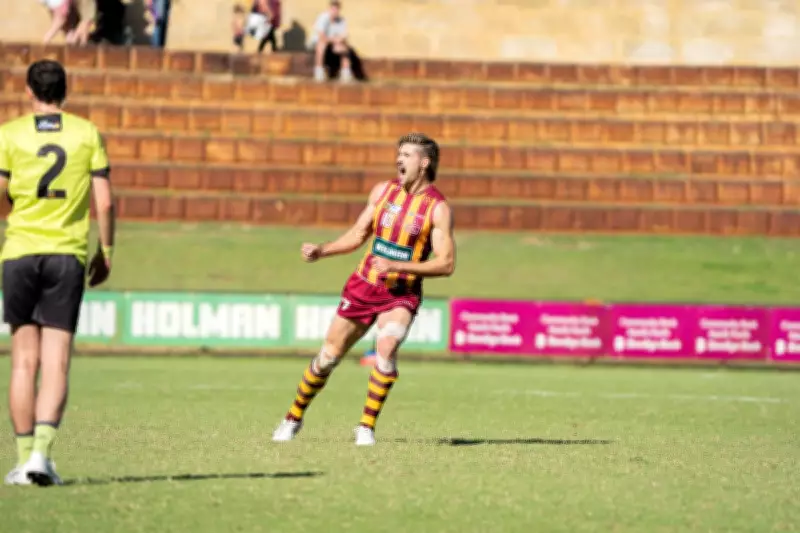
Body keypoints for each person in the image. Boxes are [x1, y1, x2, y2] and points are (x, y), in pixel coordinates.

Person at [272, 133, 456, 446]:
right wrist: (322, 250)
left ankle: (366, 427)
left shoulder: (437, 209)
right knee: (328, 358)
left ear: (424, 164)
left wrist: (400, 267)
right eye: (399, 153)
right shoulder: (383, 192)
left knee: (386, 349)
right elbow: (358, 234)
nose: (399, 159)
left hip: (401, 294)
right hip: (363, 287)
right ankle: (292, 418)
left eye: (407, 155)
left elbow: (446, 263)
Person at [1, 60, 116, 486]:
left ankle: (21, 459)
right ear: (65, 91)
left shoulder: (9, 134)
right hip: (66, 256)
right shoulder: (86, 133)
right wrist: (104, 251)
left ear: (29, 91)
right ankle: (41, 458)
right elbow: (103, 204)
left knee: (22, 363)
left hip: (19, 252)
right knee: (57, 363)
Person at [310, 0, 353, 83]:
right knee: (321, 44)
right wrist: (335, 40)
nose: (335, 12)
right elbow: (321, 36)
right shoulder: (323, 18)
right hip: (318, 42)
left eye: (337, 9)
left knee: (345, 47)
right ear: (329, 9)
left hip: (332, 43)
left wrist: (340, 40)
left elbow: (343, 36)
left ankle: (345, 72)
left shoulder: (341, 20)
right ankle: (319, 71)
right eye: (333, 9)